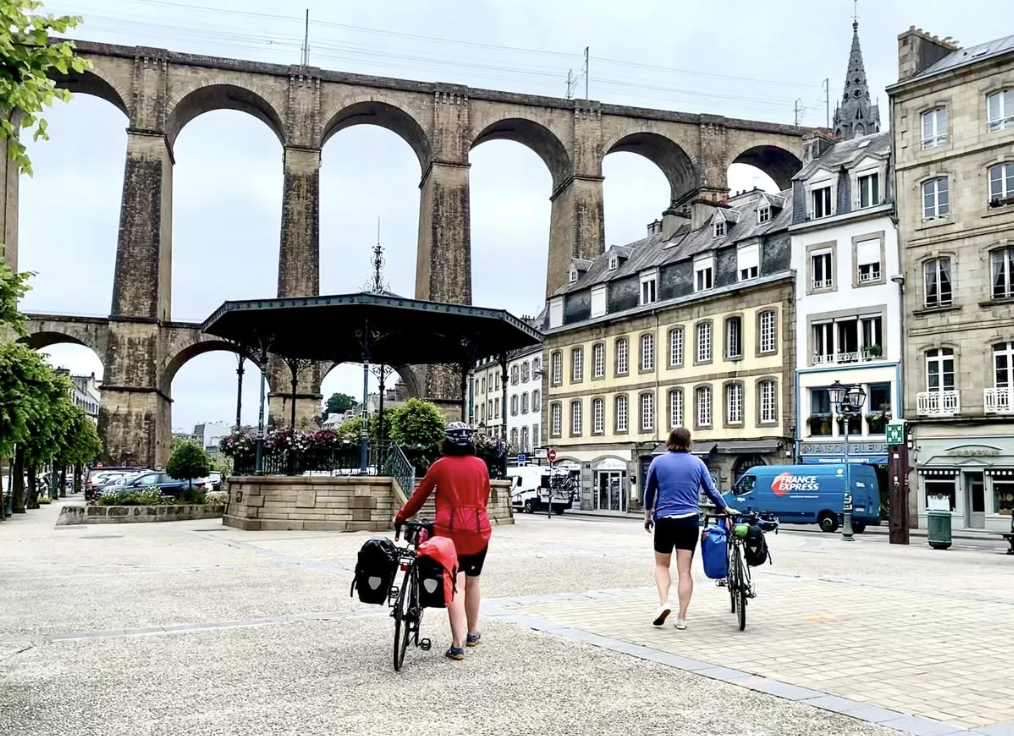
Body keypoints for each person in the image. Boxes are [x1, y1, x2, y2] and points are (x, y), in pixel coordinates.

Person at [394, 422, 492, 661]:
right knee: (473, 582)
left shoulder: (440, 466)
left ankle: (457, 645)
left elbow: (419, 497)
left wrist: (401, 517)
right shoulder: (481, 465)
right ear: (471, 442)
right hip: (478, 531)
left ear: (446, 442)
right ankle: (472, 633)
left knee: (455, 585)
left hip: (449, 533)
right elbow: (485, 496)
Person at [643, 426, 738, 630]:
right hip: (689, 520)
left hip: (665, 520)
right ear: (689, 443)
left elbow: (649, 492)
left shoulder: (658, 462)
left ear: (669, 441)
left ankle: (663, 603)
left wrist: (647, 516)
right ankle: (682, 618)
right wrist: (725, 507)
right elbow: (711, 490)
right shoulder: (697, 463)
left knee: (662, 565)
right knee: (684, 571)